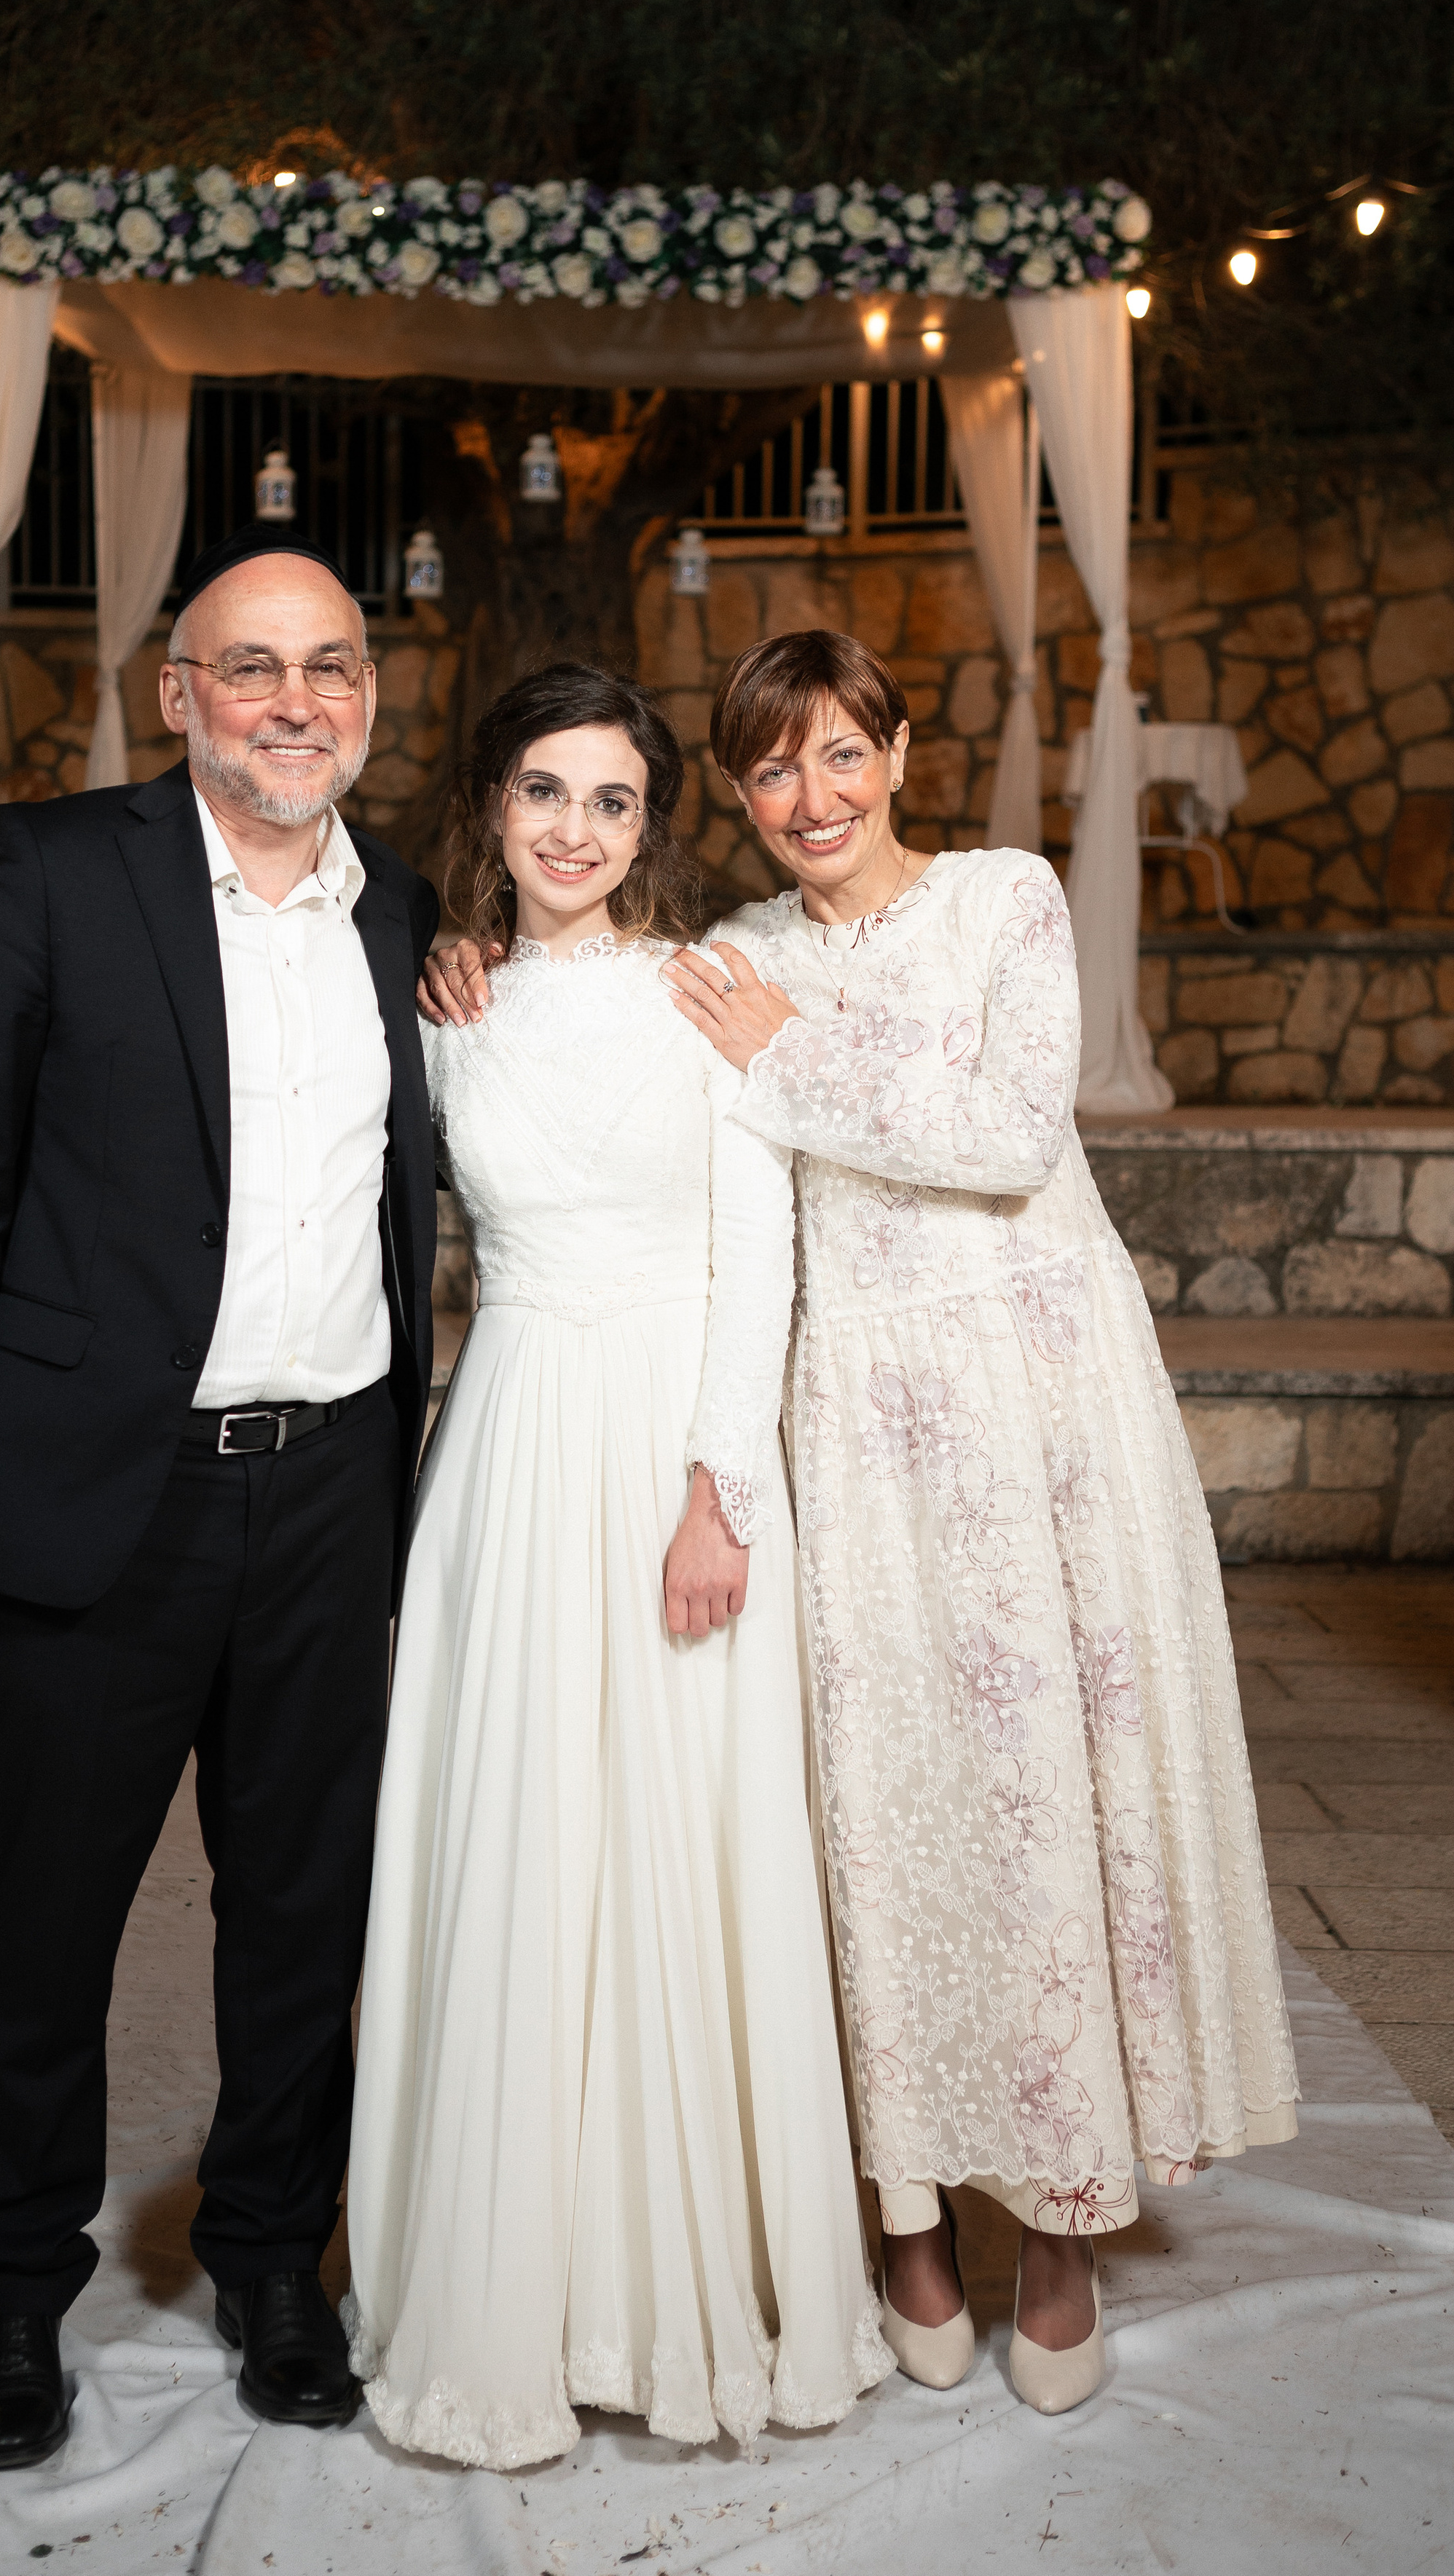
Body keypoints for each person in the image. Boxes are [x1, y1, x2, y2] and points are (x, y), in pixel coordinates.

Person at [661, 629, 1299, 2415]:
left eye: (840, 755)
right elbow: (740, 1191)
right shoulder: (728, 961)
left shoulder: (1006, 900)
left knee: (1052, 1800)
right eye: (770, 770)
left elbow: (1014, 1135)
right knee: (881, 1811)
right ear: (734, 789)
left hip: (1040, 1397)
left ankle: (1068, 2220)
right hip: (850, 1415)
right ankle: (910, 2219)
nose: (811, 799)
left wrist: (795, 1050)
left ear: (896, 746)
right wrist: (475, 962)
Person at [0, 522, 439, 2469]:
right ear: (179, 695)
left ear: (371, 696)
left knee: (306, 1911)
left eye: (335, 666)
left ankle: (279, 2258)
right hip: (105, 1493)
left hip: (335, 1488)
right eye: (255, 667)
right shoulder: (54, 870)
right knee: (47, 1913)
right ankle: (11, 2294)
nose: (300, 701)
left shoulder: (405, 910)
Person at [345, 664, 892, 2470]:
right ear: (490, 811)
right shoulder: (447, 1010)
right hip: (507, 1447)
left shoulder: (706, 996)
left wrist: (718, 1492)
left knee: (684, 1838)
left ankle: (688, 2277)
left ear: (650, 829)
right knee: (518, 1831)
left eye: (611, 801)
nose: (574, 831)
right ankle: (509, 2283)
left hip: (672, 1434)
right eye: (541, 794)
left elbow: (762, 1257)